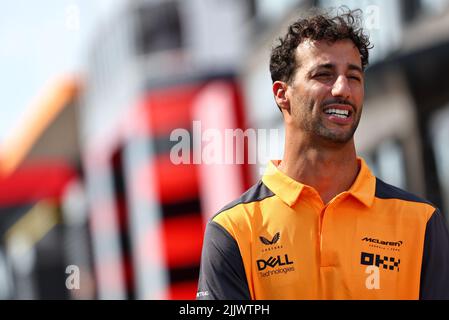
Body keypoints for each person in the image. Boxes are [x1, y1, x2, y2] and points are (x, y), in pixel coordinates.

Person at [196, 9, 449, 300]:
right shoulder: (234, 230)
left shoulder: (421, 221)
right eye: (324, 75)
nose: (342, 89)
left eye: (353, 77)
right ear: (282, 94)